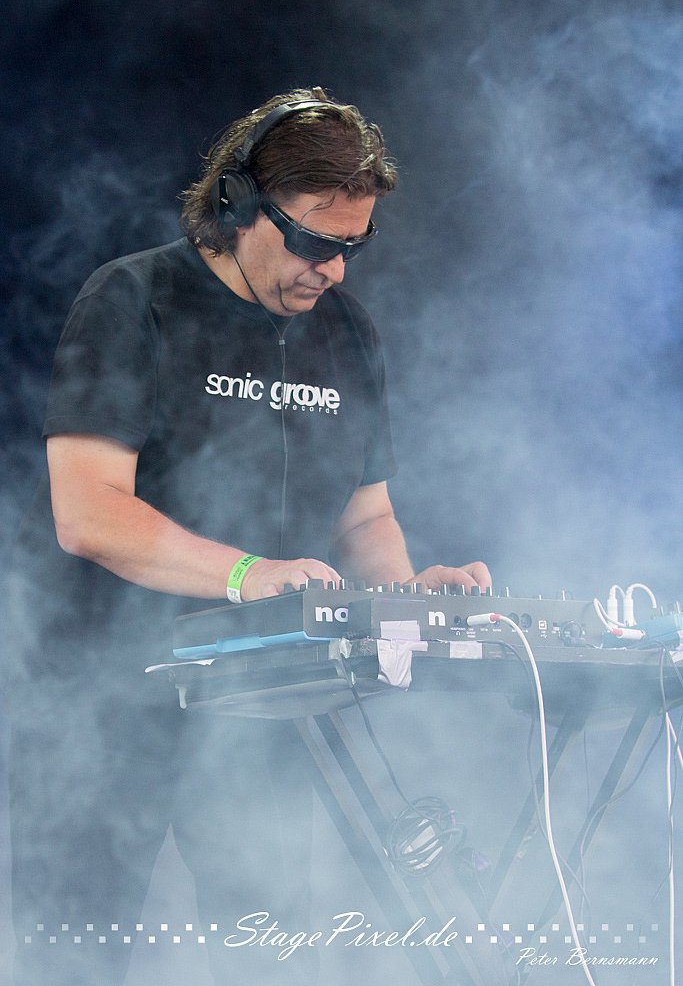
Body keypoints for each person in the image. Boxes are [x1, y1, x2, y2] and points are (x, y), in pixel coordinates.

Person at [6, 86, 491, 986]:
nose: (332, 270)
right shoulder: (134, 298)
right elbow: (88, 513)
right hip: (104, 697)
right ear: (236, 205)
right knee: (69, 953)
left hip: (263, 701)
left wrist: (405, 594)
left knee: (262, 953)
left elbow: (365, 515)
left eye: (353, 247)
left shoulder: (346, 332)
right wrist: (246, 575)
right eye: (312, 241)